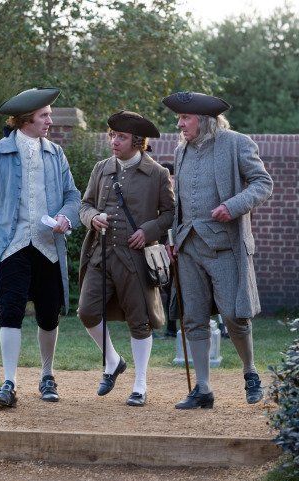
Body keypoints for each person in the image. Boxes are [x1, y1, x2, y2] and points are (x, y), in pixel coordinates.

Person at [162, 91, 273, 409]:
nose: (180, 124)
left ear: (205, 120)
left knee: (234, 316)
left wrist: (234, 205)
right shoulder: (181, 149)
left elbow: (262, 183)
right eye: (179, 119)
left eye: (185, 118)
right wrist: (172, 237)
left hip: (225, 247)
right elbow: (180, 203)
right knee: (192, 320)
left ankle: (250, 372)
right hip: (188, 246)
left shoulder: (236, 143)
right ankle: (203, 389)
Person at [0, 87, 80, 407]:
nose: (50, 120)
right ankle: (8, 382)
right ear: (26, 119)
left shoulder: (56, 153)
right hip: (12, 246)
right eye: (45, 115)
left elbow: (73, 197)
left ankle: (47, 375)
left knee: (49, 315)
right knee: (10, 311)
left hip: (48, 246)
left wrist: (65, 217)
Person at [78, 111, 175, 406]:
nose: (113, 141)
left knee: (140, 322)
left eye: (120, 137)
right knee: (86, 311)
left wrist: (148, 231)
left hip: (135, 260)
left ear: (137, 141)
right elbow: (85, 205)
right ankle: (113, 361)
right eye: (111, 135)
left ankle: (140, 384)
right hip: (101, 255)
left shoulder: (157, 174)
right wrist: (93, 217)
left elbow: (170, 214)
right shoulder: (101, 168)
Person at [153, 161, 177, 339]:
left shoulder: (178, 196)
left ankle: (171, 326)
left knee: (173, 288)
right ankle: (155, 326)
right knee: (158, 286)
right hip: (157, 245)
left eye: (171, 177)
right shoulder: (155, 195)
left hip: (175, 246)